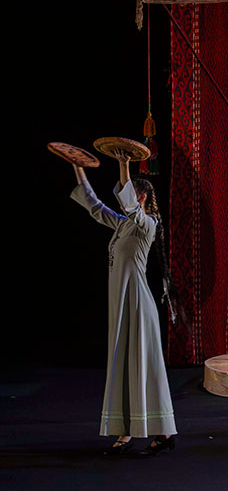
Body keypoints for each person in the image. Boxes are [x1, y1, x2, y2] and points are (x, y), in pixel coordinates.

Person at [69, 153, 176, 456]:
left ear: (140, 198)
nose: (122, 201)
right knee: (127, 364)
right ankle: (143, 432)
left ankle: (150, 432)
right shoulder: (122, 225)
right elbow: (94, 206)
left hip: (138, 303)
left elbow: (128, 204)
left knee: (141, 365)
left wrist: (124, 164)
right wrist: (78, 169)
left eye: (129, 195)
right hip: (122, 302)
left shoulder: (147, 224)